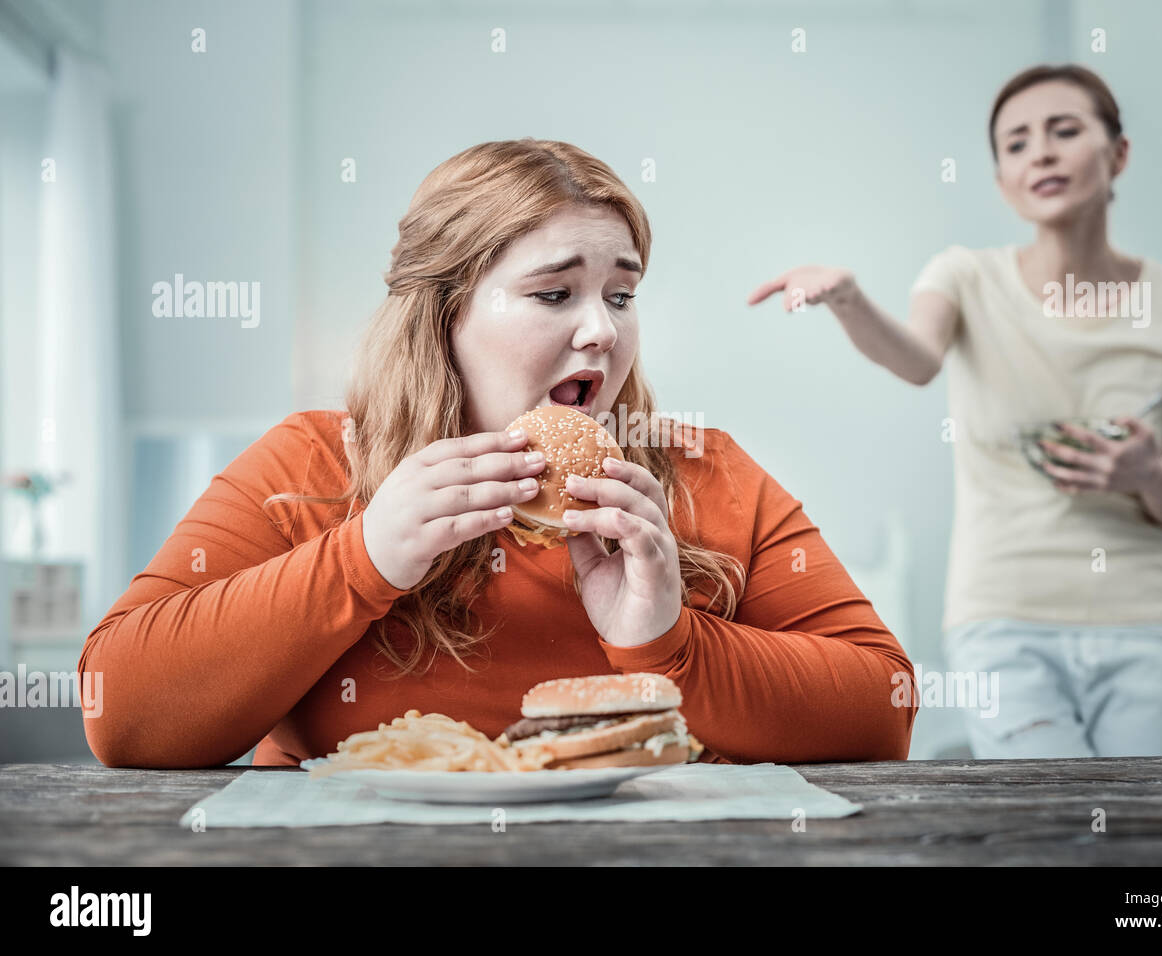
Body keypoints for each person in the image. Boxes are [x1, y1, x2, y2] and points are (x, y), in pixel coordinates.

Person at [79, 138, 915, 769]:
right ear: (440, 316)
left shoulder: (701, 473)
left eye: (622, 296)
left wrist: (668, 644)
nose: (603, 331)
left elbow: (886, 708)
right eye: (555, 294)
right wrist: (360, 560)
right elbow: (120, 713)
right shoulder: (313, 465)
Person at [748, 65, 1162, 759]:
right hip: (1001, 621)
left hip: (1142, 624)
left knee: (1138, 828)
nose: (1040, 152)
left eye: (1064, 132)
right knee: (1045, 822)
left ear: (1117, 154)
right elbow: (916, 359)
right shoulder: (965, 277)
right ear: (1003, 179)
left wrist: (1146, 472)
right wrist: (847, 299)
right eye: (1016, 143)